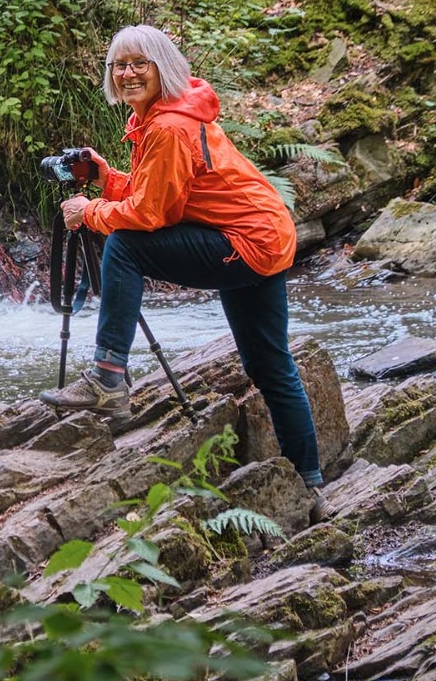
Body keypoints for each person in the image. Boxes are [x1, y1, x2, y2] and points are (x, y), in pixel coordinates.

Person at [40, 24, 324, 494]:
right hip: (263, 237)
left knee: (125, 245)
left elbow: (151, 215)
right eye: (119, 65)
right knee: (270, 366)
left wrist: (88, 211)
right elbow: (163, 192)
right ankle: (311, 485)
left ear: (162, 68)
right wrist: (107, 178)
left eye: (139, 64)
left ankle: (108, 377)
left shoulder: (169, 126)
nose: (128, 73)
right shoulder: (168, 116)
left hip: (243, 241)